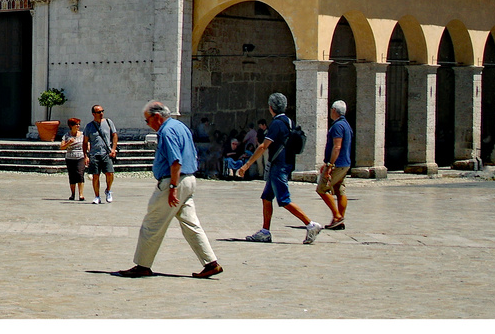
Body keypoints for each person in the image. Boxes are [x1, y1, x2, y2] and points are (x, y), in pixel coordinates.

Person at [112, 100, 222, 279]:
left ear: (156, 117)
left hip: (174, 181)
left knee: (152, 223)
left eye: (147, 121)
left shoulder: (167, 131)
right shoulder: (180, 126)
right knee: (190, 224)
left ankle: (142, 265)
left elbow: (175, 160)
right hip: (189, 179)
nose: (147, 125)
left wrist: (172, 187)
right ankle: (211, 263)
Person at [235, 92, 322, 244]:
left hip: (278, 167)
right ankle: (265, 231)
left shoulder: (276, 124)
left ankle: (311, 224)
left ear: (270, 107)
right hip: (285, 163)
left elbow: (263, 146)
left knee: (284, 200)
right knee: (267, 198)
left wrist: (246, 165)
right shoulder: (289, 122)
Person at [317, 100, 353, 230]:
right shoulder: (346, 125)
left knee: (322, 189)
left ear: (334, 110)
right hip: (345, 163)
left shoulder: (338, 126)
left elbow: (337, 147)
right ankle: (338, 221)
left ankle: (337, 216)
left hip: (337, 164)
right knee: (339, 190)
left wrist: (329, 165)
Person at [84, 104, 119, 203]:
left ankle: (108, 190)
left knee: (110, 173)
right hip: (94, 154)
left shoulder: (108, 122)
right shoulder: (89, 126)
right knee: (95, 175)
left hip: (106, 153)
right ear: (93, 114)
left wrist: (113, 149)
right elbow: (85, 141)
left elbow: (114, 135)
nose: (101, 113)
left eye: (102, 111)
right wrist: (85, 155)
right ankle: (97, 196)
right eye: (99, 112)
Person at [59, 117, 88, 200]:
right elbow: (62, 147)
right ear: (71, 126)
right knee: (72, 176)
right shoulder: (66, 135)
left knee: (80, 174)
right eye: (76, 124)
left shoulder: (83, 135)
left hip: (80, 156)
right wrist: (69, 143)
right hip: (70, 157)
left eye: (79, 124)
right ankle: (72, 194)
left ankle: (81, 194)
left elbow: (86, 145)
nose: (78, 126)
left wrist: (87, 156)